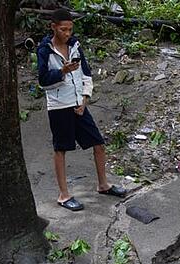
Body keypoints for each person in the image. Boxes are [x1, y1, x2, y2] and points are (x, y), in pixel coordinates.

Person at [37, 8, 126, 212]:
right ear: (53, 27)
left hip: (79, 103)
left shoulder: (75, 45)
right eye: (63, 30)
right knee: (61, 148)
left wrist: (85, 98)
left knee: (99, 143)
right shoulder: (45, 50)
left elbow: (86, 74)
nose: (67, 33)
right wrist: (62, 71)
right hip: (59, 105)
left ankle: (103, 185)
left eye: (70, 29)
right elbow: (43, 81)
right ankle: (63, 195)